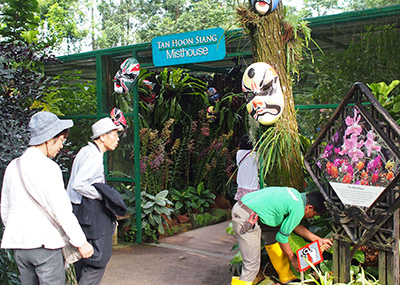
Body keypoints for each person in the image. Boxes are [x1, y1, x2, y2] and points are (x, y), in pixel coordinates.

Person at [1, 111, 94, 285]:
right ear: (48, 139)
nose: (61, 146)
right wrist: (81, 242)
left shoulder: (13, 166)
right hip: (46, 246)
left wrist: (21, 232)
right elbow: (62, 211)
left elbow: (5, 209)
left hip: (20, 247)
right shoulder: (49, 167)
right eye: (60, 140)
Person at [231, 187, 333, 285]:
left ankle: (286, 277)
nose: (311, 217)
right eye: (314, 215)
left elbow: (295, 225)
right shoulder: (298, 209)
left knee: (272, 236)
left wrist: (318, 240)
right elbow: (282, 238)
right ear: (309, 207)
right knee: (251, 264)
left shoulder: (296, 196)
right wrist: (293, 260)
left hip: (245, 208)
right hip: (246, 217)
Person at [67, 117, 122, 285]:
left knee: (83, 260)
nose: (117, 139)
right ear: (103, 137)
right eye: (114, 134)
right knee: (98, 260)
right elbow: (79, 185)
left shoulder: (85, 151)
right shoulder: (94, 156)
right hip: (87, 214)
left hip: (78, 213)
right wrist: (102, 196)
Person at [235, 134, 260, 201]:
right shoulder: (256, 155)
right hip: (253, 185)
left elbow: (238, 164)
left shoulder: (239, 153)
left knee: (242, 206)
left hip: (242, 184)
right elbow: (260, 166)